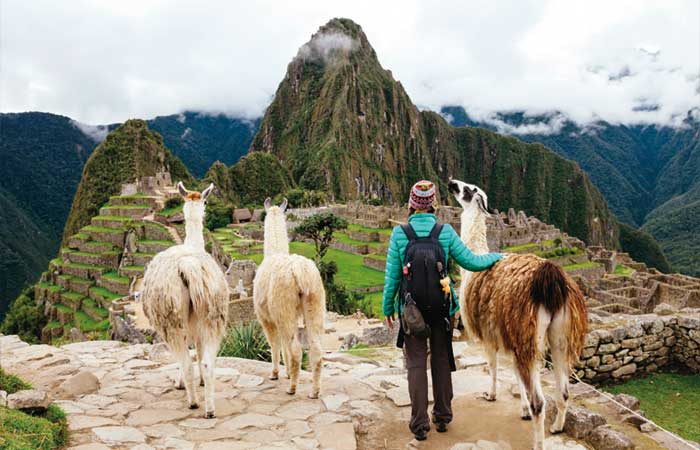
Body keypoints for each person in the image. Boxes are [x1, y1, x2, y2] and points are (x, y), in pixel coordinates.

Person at [382, 180, 502, 441]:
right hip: (441, 309)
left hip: (411, 311)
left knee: (415, 364)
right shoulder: (445, 232)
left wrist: (387, 306)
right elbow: (472, 261)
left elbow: (392, 277)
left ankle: (419, 425)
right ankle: (443, 417)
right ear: (433, 203)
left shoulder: (400, 234)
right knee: (440, 360)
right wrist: (498, 257)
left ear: (412, 204)